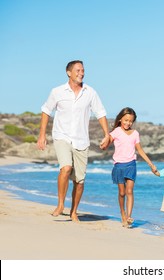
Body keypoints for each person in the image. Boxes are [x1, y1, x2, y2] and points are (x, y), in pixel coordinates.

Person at [37, 60, 110, 222]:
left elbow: (100, 112)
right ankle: (60, 204)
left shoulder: (90, 92)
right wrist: (42, 135)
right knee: (66, 167)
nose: (81, 73)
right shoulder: (57, 91)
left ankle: (74, 211)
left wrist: (107, 134)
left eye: (83, 70)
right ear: (68, 73)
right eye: (78, 70)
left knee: (80, 181)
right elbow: (46, 111)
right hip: (61, 136)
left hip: (81, 140)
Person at [109, 107, 157, 227]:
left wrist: (151, 164)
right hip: (119, 165)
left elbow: (139, 150)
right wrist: (104, 142)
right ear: (120, 119)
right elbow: (107, 141)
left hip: (131, 164)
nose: (128, 123)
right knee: (121, 193)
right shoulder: (116, 131)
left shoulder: (135, 133)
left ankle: (129, 216)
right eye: (126, 120)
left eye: (130, 121)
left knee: (129, 191)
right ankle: (123, 214)